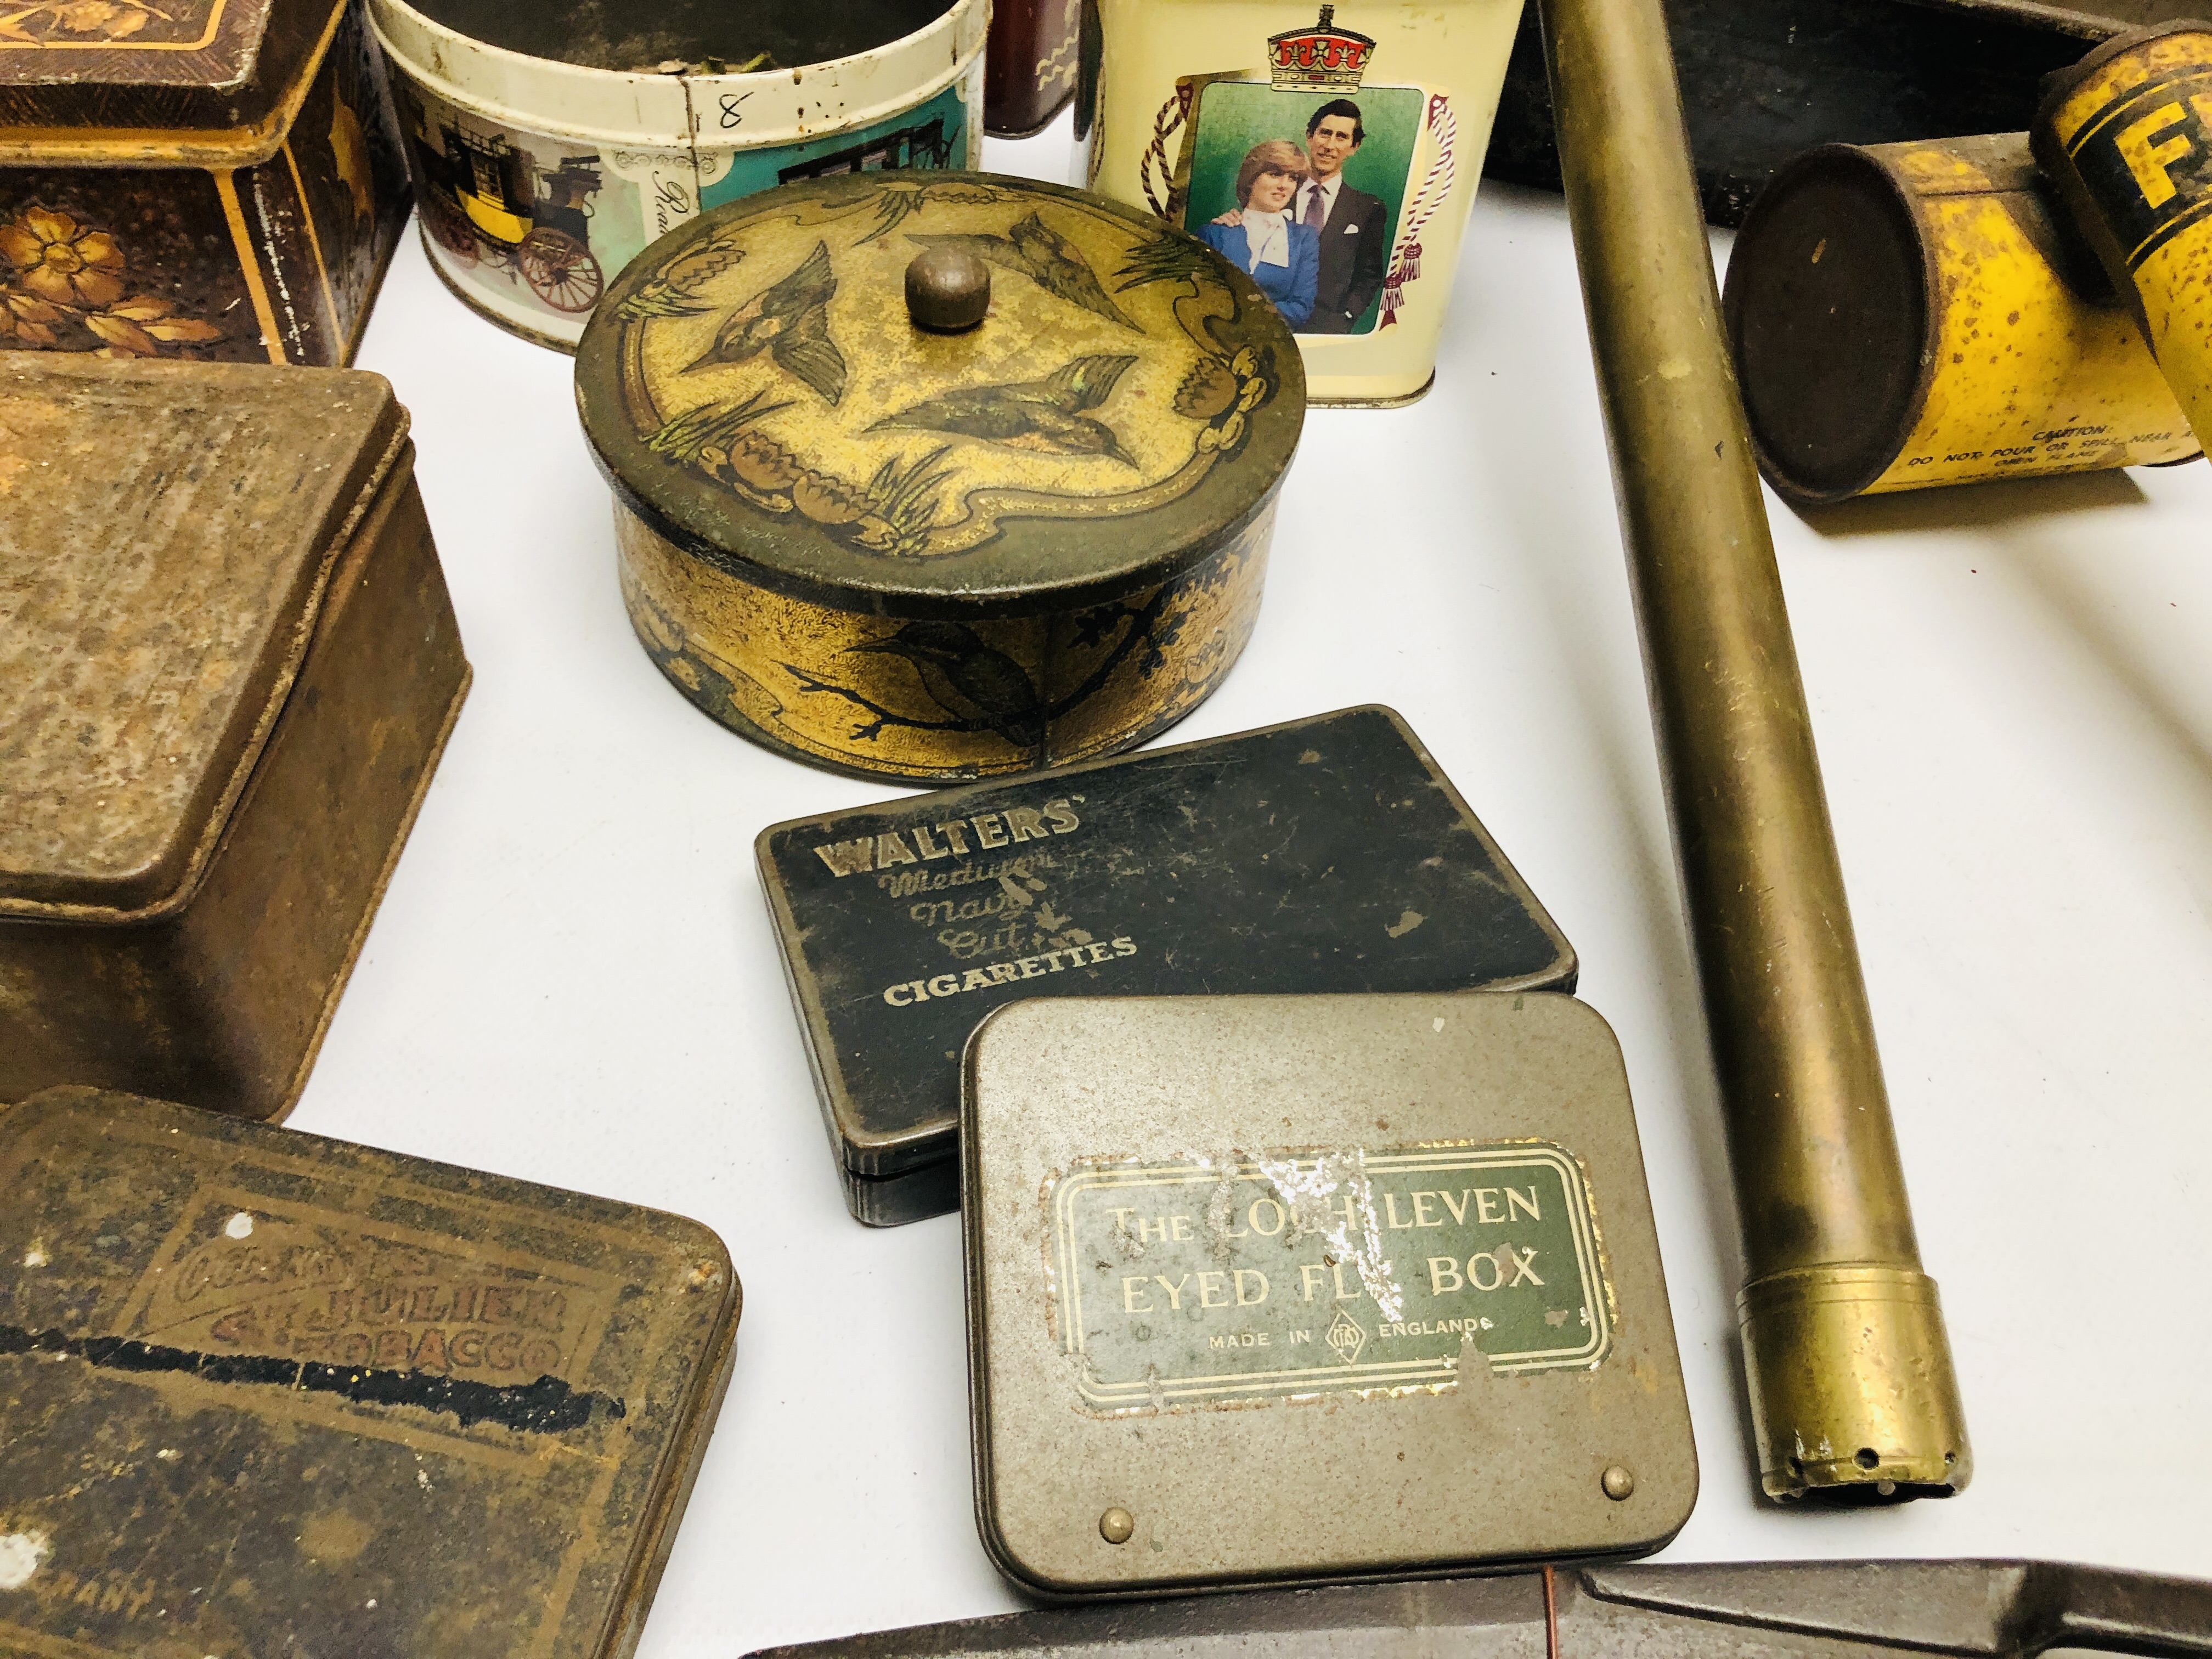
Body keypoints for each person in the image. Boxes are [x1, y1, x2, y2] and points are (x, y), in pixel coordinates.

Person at [1197, 139, 1319, 328]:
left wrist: (1246, 315)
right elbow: (1199, 297)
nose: (1284, 185)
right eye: (1275, 174)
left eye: (1293, 178)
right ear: (1251, 179)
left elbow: (1300, 307)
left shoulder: (1303, 239)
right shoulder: (1215, 233)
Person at [1292, 98, 1388, 332]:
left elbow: (1369, 275)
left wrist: (1346, 317)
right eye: (1325, 133)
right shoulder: (1279, 193)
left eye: (1342, 137)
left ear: (1354, 147)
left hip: (1327, 328)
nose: (1330, 145)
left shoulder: (1367, 208)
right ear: (1309, 137)